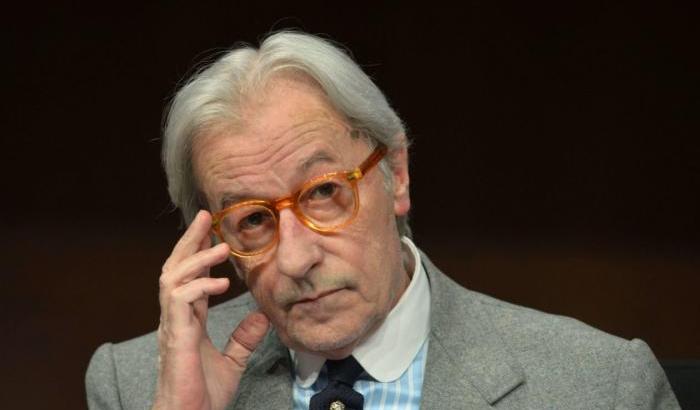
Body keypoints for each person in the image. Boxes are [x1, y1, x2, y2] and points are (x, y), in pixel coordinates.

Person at [86, 31, 679, 409]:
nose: (295, 258)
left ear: (396, 173)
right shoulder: (135, 385)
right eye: (253, 220)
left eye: (323, 192)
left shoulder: (599, 386)